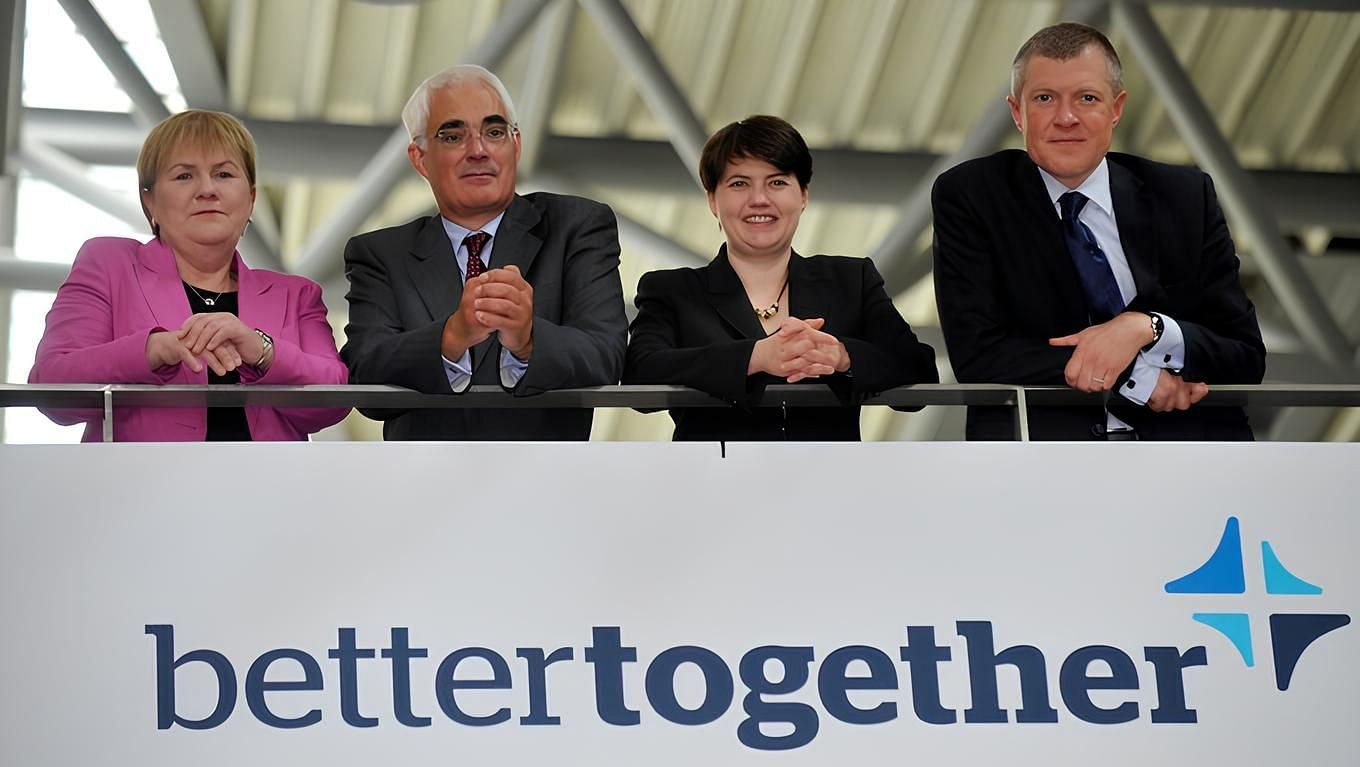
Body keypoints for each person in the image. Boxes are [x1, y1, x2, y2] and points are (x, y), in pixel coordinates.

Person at [931, 22, 1265, 440]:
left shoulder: (1184, 196)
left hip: (1191, 461)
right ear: (1018, 112)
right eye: (1045, 98)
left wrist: (1148, 328)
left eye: (1086, 98)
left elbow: (1245, 354)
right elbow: (978, 353)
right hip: (1040, 466)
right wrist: (1137, 379)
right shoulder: (972, 195)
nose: (1065, 118)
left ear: (1116, 107)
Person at [341, 65, 627, 440]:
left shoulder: (577, 226)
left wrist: (528, 339)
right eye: (453, 136)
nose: (478, 150)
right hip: (423, 486)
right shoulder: (380, 254)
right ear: (419, 158)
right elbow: (365, 376)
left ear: (516, 145)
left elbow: (606, 357)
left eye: (494, 132)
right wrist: (451, 336)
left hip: (547, 482)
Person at [29, 110, 349, 441]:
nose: (207, 190)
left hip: (269, 489)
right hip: (140, 489)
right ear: (149, 200)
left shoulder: (296, 294)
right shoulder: (109, 263)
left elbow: (335, 401)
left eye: (224, 174)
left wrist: (261, 350)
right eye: (184, 176)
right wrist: (151, 351)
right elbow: (51, 387)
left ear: (250, 199)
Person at [624, 115, 938, 441]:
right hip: (713, 484)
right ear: (713, 200)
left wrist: (842, 356)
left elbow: (921, 372)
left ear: (803, 195)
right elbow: (639, 373)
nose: (759, 199)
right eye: (739, 183)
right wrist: (755, 357)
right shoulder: (674, 291)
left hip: (827, 484)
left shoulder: (850, 280)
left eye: (777, 182)